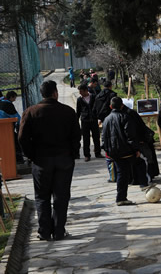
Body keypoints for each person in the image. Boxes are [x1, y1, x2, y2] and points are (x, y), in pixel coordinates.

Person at [18, 80, 80, 241]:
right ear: (55, 93)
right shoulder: (67, 112)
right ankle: (59, 231)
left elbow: (22, 138)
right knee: (61, 196)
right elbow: (76, 135)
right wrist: (72, 154)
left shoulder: (31, 112)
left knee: (42, 196)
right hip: (64, 159)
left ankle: (44, 231)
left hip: (41, 160)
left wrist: (31, 155)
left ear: (42, 94)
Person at [101, 97, 146, 206]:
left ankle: (121, 197)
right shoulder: (125, 117)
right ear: (122, 105)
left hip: (113, 152)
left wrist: (107, 150)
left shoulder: (106, 120)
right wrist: (136, 149)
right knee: (140, 163)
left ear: (111, 106)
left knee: (122, 173)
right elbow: (130, 136)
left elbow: (103, 137)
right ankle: (144, 185)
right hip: (126, 151)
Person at [76, 84, 103, 161]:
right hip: (85, 121)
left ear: (86, 90)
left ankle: (98, 153)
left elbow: (98, 108)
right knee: (86, 139)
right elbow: (78, 111)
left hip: (94, 120)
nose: (80, 93)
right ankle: (87, 155)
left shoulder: (94, 97)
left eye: (81, 91)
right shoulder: (79, 100)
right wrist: (76, 121)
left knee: (96, 137)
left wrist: (99, 117)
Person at [0, 91, 23, 164]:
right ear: (11, 97)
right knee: (16, 144)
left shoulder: (1, 102)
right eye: (14, 98)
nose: (15, 100)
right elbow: (17, 118)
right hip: (7, 130)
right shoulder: (8, 105)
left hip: (2, 129)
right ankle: (19, 160)